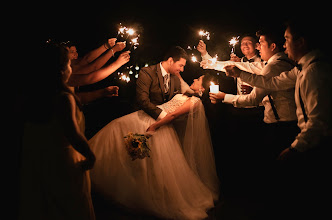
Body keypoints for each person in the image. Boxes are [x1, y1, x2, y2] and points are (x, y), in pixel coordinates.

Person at [224, 19, 332, 218]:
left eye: (287, 39)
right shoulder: (300, 68)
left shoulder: (315, 71)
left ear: (301, 42)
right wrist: (239, 73)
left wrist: (294, 148)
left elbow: (319, 122)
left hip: (313, 144)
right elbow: (272, 82)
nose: (284, 45)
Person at [89, 72, 219, 220]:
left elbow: (172, 115)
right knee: (117, 131)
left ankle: (93, 165)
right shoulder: (190, 95)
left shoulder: (195, 102)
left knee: (126, 139)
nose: (194, 78)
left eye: (199, 79)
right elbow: (181, 81)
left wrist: (154, 127)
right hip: (150, 118)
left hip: (156, 124)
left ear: (202, 88)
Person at [19, 43, 96, 219]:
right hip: (63, 163)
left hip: (37, 160)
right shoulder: (63, 97)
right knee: (69, 208)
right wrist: (90, 155)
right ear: (61, 69)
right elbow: (73, 133)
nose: (71, 68)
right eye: (68, 64)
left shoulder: (32, 95)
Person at [136, 46, 189, 120]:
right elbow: (143, 100)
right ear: (170, 61)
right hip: (144, 119)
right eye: (180, 65)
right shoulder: (147, 72)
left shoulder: (176, 79)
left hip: (166, 123)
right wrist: (162, 115)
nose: (182, 70)